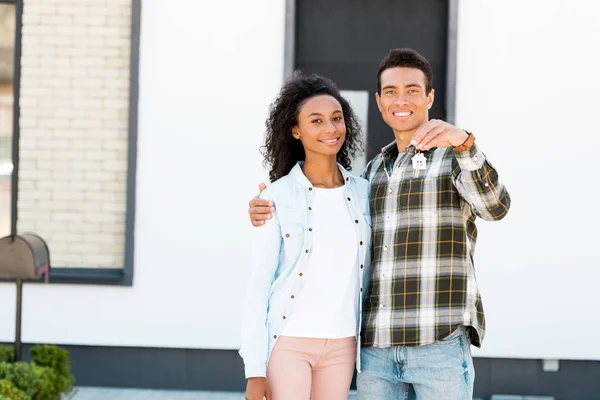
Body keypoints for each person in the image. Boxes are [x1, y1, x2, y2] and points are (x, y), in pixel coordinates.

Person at [247, 48, 511, 399]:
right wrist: (264, 208)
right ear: (379, 102)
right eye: (391, 92)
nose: (401, 100)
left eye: (413, 90)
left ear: (429, 97)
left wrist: (464, 142)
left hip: (439, 345)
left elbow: (496, 207)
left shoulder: (453, 159)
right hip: (377, 351)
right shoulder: (372, 175)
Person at [239, 71, 372, 400]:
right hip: (289, 343)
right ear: (295, 130)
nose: (330, 129)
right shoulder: (277, 197)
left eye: (336, 118)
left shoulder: (366, 194)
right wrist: (254, 371)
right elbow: (259, 289)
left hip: (343, 343)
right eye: (316, 121)